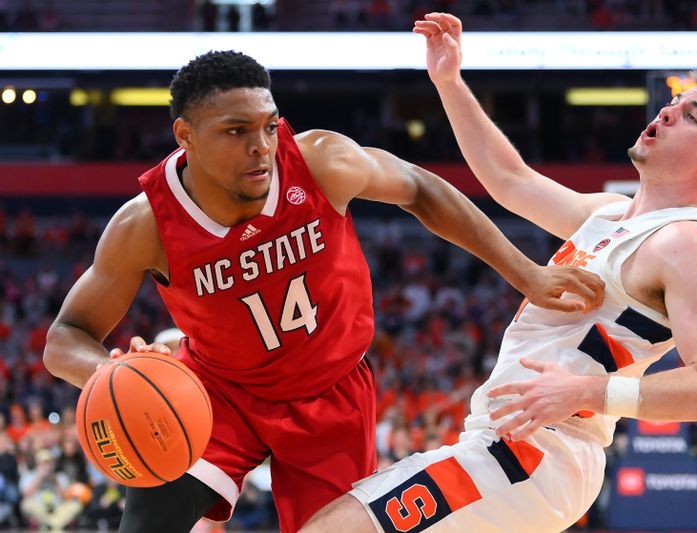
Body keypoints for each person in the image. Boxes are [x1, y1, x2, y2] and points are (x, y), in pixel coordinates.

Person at [42, 50, 603, 533]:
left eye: (267, 125)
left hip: (331, 397)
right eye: (236, 132)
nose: (260, 146)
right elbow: (65, 337)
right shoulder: (145, 226)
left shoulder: (319, 161)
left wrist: (525, 272)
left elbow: (423, 188)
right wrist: (108, 374)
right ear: (184, 135)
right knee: (149, 524)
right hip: (218, 394)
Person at [297, 12, 697, 533]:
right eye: (674, 104)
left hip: (540, 453)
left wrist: (590, 393)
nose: (667, 113)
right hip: (511, 443)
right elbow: (509, 179)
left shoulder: (687, 243)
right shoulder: (612, 214)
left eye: (692, 117)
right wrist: (449, 81)